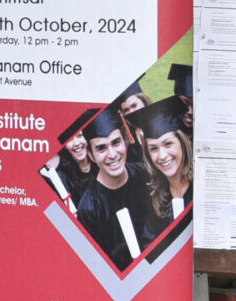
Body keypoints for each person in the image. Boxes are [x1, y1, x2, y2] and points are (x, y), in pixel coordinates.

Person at [74, 107, 163, 272]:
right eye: (101, 148)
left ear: (126, 141)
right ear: (91, 155)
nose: (112, 154)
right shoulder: (88, 209)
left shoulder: (148, 176)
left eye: (116, 142)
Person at [130, 98, 194, 226]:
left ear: (182, 143)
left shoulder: (199, 187)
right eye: (153, 148)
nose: (162, 156)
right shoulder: (156, 196)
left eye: (168, 144)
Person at [43, 108, 96, 215]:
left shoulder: (102, 165)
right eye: (70, 139)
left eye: (80, 136)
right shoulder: (63, 176)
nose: (76, 143)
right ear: (65, 146)